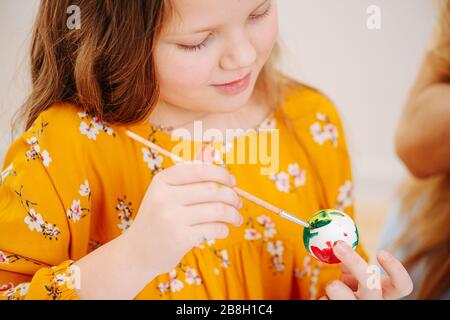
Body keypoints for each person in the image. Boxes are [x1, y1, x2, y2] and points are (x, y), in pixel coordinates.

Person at [0, 0, 412, 300]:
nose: (244, 56)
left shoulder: (311, 122)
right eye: (196, 42)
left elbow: (335, 272)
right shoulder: (61, 148)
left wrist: (361, 293)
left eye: (258, 13)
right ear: (114, 38)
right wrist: (133, 257)